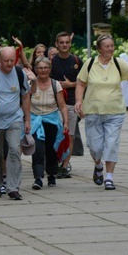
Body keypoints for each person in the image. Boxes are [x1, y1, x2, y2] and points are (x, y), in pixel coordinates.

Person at [75, 34, 128, 190]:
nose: (110, 49)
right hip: (93, 111)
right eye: (107, 46)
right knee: (95, 147)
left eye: (112, 46)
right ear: (99, 49)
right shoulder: (90, 63)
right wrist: (79, 101)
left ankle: (109, 177)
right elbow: (81, 84)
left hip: (115, 111)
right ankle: (98, 165)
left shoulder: (118, 63)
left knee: (112, 143)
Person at [0, 47, 32, 201]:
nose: (9, 64)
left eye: (12, 61)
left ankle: (13, 187)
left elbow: (25, 97)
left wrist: (27, 119)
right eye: (6, 61)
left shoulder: (19, 73)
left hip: (14, 118)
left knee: (14, 150)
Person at [29, 57, 68, 190]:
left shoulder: (55, 84)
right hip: (35, 121)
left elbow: (62, 106)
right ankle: (38, 178)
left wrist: (66, 122)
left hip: (51, 120)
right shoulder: (31, 83)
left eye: (46, 67)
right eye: (40, 68)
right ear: (35, 70)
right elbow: (26, 102)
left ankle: (52, 174)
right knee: (37, 149)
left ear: (50, 69)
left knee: (51, 149)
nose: (43, 70)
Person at [51, 31, 82, 179]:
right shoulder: (51, 62)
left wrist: (71, 84)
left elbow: (84, 82)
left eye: (67, 42)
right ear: (57, 44)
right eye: (61, 42)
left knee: (69, 135)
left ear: (70, 43)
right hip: (53, 104)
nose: (64, 45)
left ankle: (65, 165)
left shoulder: (76, 60)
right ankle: (54, 162)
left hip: (70, 102)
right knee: (54, 135)